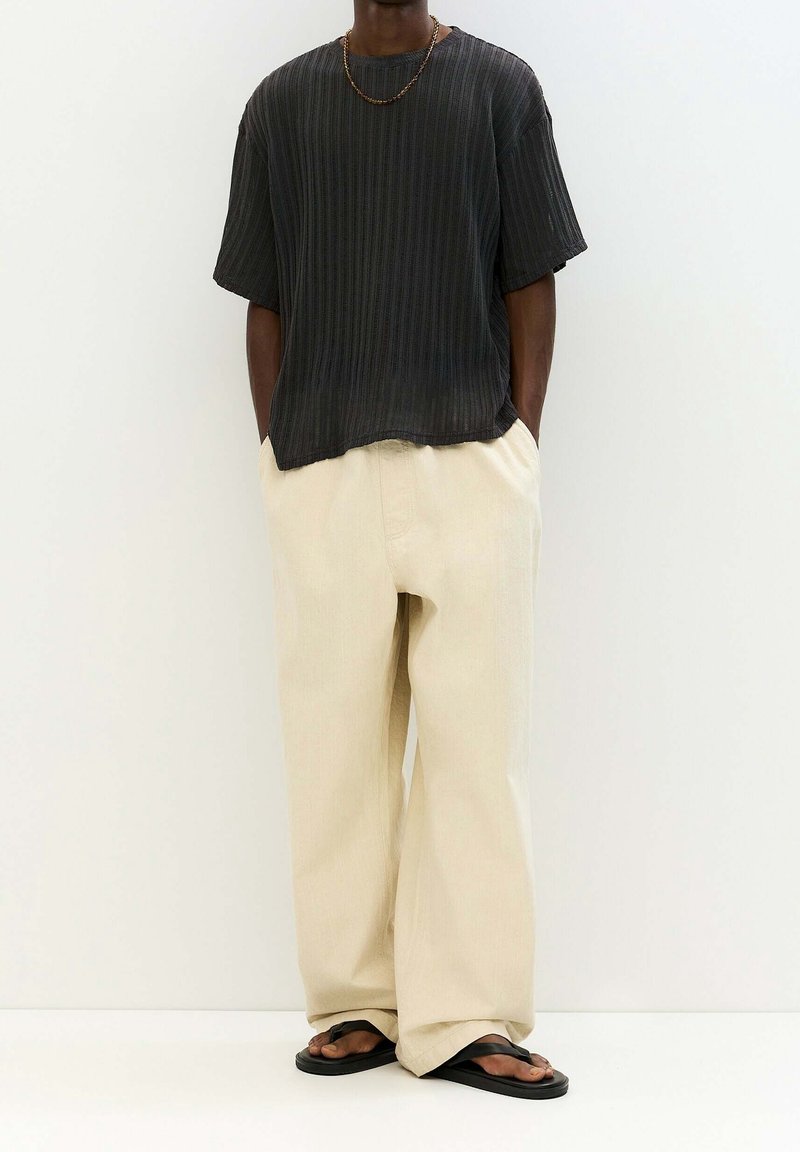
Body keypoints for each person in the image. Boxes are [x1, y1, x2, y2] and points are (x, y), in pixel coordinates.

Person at [212, 2, 587, 1100]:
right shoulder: (282, 105)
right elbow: (263, 296)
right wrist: (280, 452)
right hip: (322, 466)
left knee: (477, 749)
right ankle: (354, 1003)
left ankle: (466, 1015)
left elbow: (531, 276)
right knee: (330, 750)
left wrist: (517, 443)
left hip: (469, 461)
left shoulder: (500, 88)